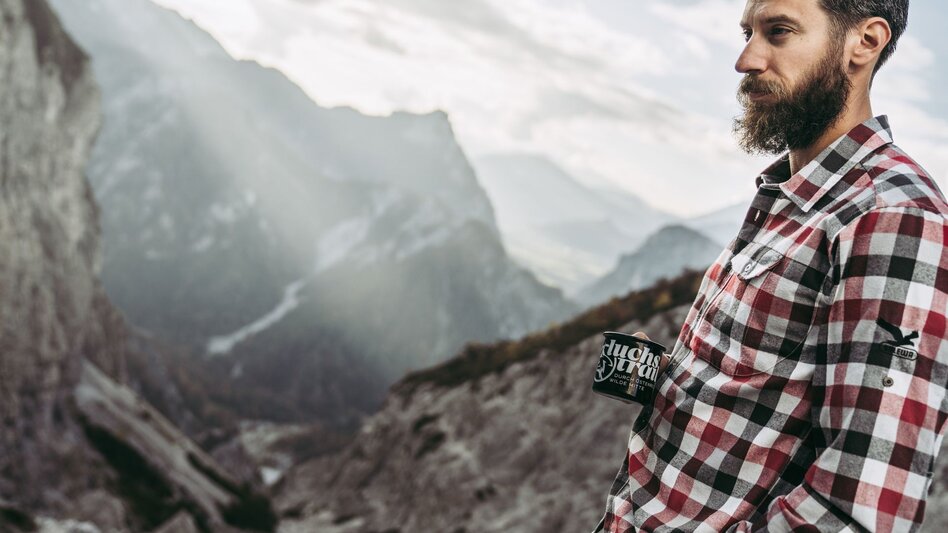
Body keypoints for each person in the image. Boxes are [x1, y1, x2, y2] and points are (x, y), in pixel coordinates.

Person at [594, 0, 948, 531]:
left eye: (778, 32)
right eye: (747, 33)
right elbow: (766, 392)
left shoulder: (894, 217)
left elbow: (860, 512)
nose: (746, 59)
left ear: (865, 42)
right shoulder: (795, 193)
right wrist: (672, 377)